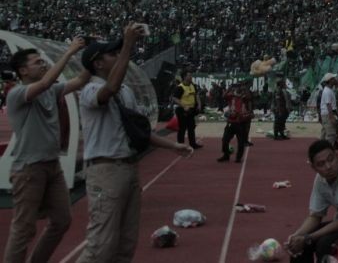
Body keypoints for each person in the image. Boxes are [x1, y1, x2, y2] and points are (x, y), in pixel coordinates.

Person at [77, 23, 193, 263]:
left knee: (125, 243)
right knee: (101, 244)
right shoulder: (89, 90)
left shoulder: (126, 92)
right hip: (105, 170)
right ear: (97, 64)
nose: (118, 56)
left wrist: (173, 146)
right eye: (112, 54)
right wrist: (128, 44)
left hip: (128, 168)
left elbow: (138, 133)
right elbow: (108, 90)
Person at [4, 37, 90, 263]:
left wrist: (92, 57)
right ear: (22, 70)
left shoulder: (51, 91)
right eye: (37, 62)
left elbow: (80, 80)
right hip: (29, 169)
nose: (43, 64)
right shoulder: (17, 94)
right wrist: (69, 52)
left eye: (43, 61)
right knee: (23, 229)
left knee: (62, 220)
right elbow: (44, 83)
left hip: (52, 165)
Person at [218, 81, 253, 162]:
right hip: (231, 121)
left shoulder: (244, 96)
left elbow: (249, 97)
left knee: (241, 142)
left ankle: (238, 158)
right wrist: (229, 88)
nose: (238, 88)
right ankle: (226, 155)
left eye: (239, 86)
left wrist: (245, 89)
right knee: (225, 140)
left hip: (241, 122)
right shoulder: (231, 95)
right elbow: (224, 96)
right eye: (236, 86)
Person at [171, 70, 203, 150]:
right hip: (182, 110)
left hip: (191, 110)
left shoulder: (193, 85)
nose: (191, 77)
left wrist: (199, 104)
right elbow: (174, 98)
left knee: (191, 128)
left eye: (191, 75)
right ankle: (180, 145)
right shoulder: (180, 87)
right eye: (189, 75)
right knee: (182, 128)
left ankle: (193, 144)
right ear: (184, 77)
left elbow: (196, 95)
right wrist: (184, 106)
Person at [318, 73, 338, 148]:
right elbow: (328, 105)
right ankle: (328, 151)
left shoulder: (328, 90)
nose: (335, 79)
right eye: (334, 78)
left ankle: (319, 150)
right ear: (330, 80)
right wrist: (332, 117)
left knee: (324, 133)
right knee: (331, 134)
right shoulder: (327, 91)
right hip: (327, 114)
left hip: (326, 114)